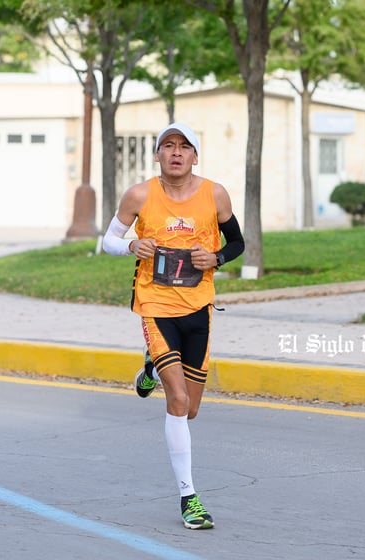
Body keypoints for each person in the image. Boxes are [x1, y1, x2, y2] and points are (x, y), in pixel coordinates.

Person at [102, 122, 245, 530]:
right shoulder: (140, 195)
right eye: (168, 146)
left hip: (198, 307)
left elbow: (237, 243)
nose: (176, 152)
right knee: (177, 402)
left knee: (192, 409)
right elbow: (108, 240)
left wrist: (215, 259)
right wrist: (131, 244)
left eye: (185, 146)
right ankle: (189, 499)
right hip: (155, 305)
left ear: (195, 156)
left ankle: (149, 369)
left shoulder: (214, 194)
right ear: (158, 155)